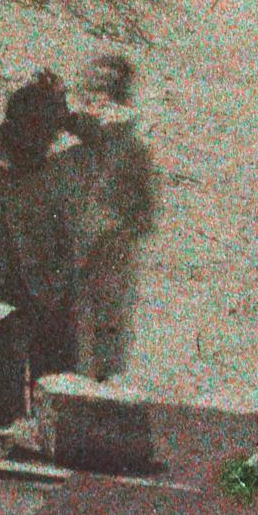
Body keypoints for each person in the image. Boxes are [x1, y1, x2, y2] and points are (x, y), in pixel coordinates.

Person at [0, 73, 98, 424]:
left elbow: (98, 137)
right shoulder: (0, 171)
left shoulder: (63, 170)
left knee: (55, 397)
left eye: (39, 129)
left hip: (54, 296)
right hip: (14, 291)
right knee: (6, 395)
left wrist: (64, 112)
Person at [71, 48, 161, 381]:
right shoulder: (69, 145)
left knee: (106, 340)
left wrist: (112, 229)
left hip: (112, 255)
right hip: (71, 254)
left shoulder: (134, 150)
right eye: (94, 94)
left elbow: (146, 214)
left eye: (109, 94)